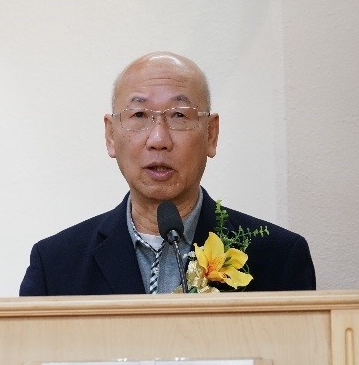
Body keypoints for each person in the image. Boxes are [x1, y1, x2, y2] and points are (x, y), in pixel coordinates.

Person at [19, 52, 315, 296]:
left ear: (211, 134)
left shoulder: (278, 258)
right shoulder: (55, 265)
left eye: (179, 115)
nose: (159, 139)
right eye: (139, 115)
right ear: (110, 136)